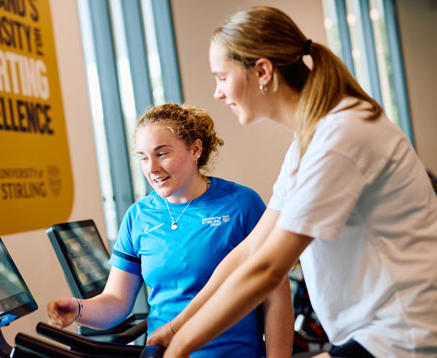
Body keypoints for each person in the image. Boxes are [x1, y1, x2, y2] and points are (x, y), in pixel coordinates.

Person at [147, 6, 437, 358]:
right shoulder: (308, 143)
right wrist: (175, 329)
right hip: (376, 334)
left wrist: (180, 348)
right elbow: (249, 252)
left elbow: (268, 269)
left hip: (406, 336)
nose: (218, 93)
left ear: (263, 72)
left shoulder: (341, 135)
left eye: (222, 77)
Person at [47, 103, 294, 357]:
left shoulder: (241, 204)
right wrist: (78, 309)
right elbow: (117, 302)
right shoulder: (138, 217)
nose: (151, 168)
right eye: (143, 157)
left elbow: (276, 298)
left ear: (195, 149)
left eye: (162, 154)